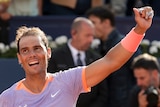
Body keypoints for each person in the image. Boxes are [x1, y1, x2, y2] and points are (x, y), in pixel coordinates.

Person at [0, 6, 153, 107]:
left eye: (37, 48)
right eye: (25, 51)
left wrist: (139, 30)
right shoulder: (8, 98)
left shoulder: (68, 81)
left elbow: (111, 61)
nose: (32, 55)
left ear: (48, 52)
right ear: (19, 58)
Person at [85, 5, 142, 107]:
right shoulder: (100, 46)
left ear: (106, 22)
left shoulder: (123, 44)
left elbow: (139, 69)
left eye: (93, 23)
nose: (90, 27)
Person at [48, 17, 108, 107]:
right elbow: (50, 89)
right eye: (87, 35)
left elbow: (103, 93)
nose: (91, 40)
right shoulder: (55, 57)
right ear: (74, 33)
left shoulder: (97, 59)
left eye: (92, 36)